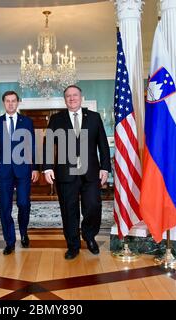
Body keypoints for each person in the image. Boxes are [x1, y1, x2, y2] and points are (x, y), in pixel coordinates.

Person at [43, 85, 111, 260]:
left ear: (81, 97)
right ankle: (72, 245)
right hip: (66, 174)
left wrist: (105, 167)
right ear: (64, 99)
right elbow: (49, 144)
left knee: (93, 207)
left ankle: (89, 237)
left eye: (75, 95)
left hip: (91, 173)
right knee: (68, 210)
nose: (72, 98)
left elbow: (103, 144)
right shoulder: (57, 119)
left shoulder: (94, 118)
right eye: (68, 96)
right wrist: (48, 167)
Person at [0, 91, 40, 255]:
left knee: (24, 203)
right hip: (3, 171)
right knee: (5, 207)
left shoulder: (27, 122)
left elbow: (33, 146)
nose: (10, 104)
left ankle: (23, 232)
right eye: (7, 101)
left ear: (18, 103)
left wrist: (36, 167)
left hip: (23, 170)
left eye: (13, 101)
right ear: (4, 103)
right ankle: (9, 241)